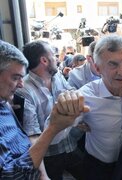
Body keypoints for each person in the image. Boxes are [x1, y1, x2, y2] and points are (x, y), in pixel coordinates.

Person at [0, 39, 89, 179]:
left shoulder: (57, 76)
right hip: (48, 154)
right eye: (16, 77)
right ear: (44, 60)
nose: (20, 84)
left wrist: (77, 114)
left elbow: (70, 92)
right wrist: (43, 175)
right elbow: (31, 136)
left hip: (69, 143)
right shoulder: (24, 92)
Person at [73, 34, 122, 179]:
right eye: (113, 64)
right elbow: (58, 131)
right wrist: (72, 120)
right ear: (97, 68)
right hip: (97, 167)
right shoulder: (85, 96)